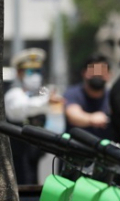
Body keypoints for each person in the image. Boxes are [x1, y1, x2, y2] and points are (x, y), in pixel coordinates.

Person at [4, 48, 61, 185]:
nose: (35, 76)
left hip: (35, 151)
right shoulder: (14, 93)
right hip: (18, 151)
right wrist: (46, 102)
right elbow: (22, 107)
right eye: (30, 72)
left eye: (38, 71)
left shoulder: (40, 92)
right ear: (19, 72)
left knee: (33, 184)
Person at [63, 53, 114, 140]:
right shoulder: (73, 93)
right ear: (84, 73)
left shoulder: (114, 96)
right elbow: (73, 116)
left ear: (109, 75)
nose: (97, 75)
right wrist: (91, 119)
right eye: (93, 71)